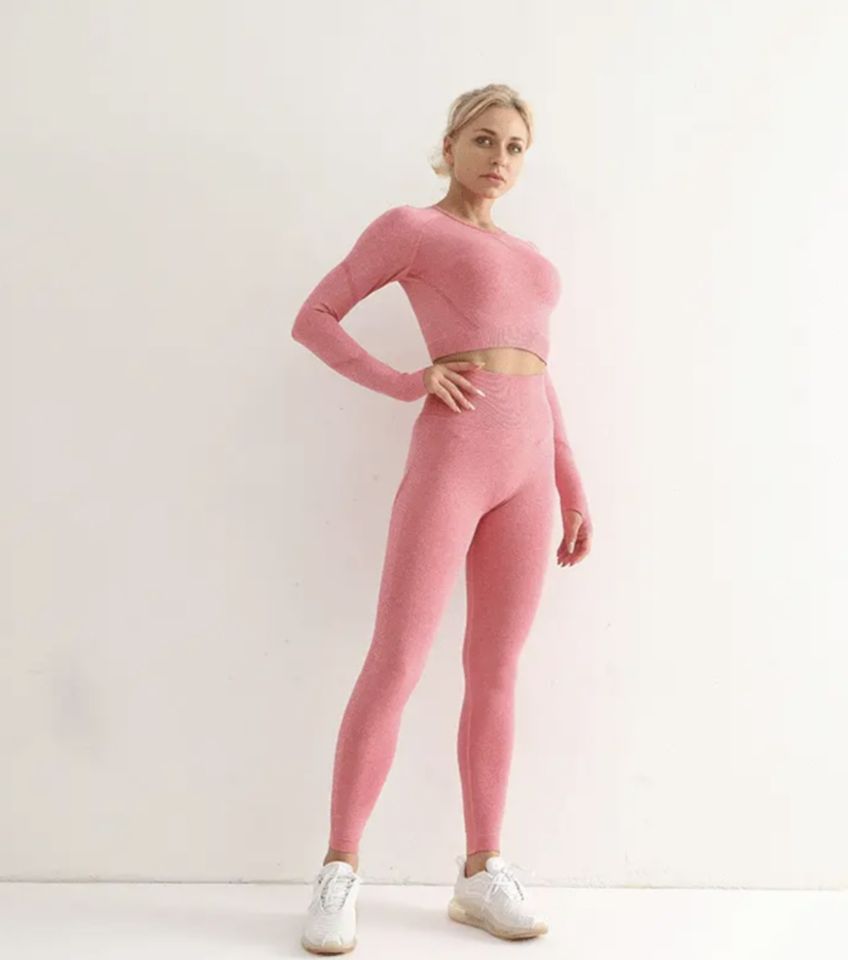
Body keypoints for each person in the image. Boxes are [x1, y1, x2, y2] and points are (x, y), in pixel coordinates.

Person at [291, 83, 592, 954]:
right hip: (452, 460)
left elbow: (538, 373)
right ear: (451, 144)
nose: (500, 159)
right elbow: (314, 317)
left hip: (527, 474)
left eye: (515, 147)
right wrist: (405, 381)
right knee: (396, 660)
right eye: (484, 140)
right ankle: (339, 868)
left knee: (495, 669)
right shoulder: (411, 229)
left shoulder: (531, 258)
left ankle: (480, 871)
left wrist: (569, 482)